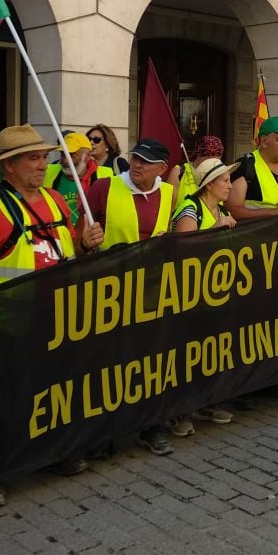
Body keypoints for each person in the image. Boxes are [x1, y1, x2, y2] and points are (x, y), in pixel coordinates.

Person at [0, 125, 103, 508]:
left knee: (55, 386)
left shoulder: (53, 199)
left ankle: (56, 453)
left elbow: (69, 251)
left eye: (44, 157)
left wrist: (85, 244)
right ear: (11, 166)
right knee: (3, 394)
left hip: (57, 317)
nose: (43, 163)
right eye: (33, 158)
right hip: (8, 321)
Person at [83, 138, 176, 455]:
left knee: (150, 360)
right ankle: (103, 431)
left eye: (145, 161)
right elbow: (77, 232)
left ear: (162, 169)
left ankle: (152, 425)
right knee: (108, 362)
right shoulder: (105, 188)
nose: (137, 164)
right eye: (135, 158)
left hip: (151, 289)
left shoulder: (167, 193)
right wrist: (84, 240)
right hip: (110, 291)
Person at [169, 157, 239, 436]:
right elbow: (184, 248)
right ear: (209, 184)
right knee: (187, 351)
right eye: (225, 180)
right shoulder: (190, 208)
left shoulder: (219, 208)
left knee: (212, 348)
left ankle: (206, 402)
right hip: (189, 292)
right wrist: (216, 228)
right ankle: (180, 412)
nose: (229, 185)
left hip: (213, 291)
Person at [227, 116, 278, 220]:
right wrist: (274, 212)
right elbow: (231, 210)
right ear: (264, 142)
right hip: (258, 235)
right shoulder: (246, 165)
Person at [43, 131, 111, 224]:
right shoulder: (48, 171)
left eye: (72, 155)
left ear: (88, 155)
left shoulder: (106, 176)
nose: (65, 160)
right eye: (63, 154)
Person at [167, 135, 224, 208]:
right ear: (198, 155)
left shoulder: (220, 173)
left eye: (216, 160)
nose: (211, 164)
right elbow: (169, 207)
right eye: (207, 158)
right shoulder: (178, 172)